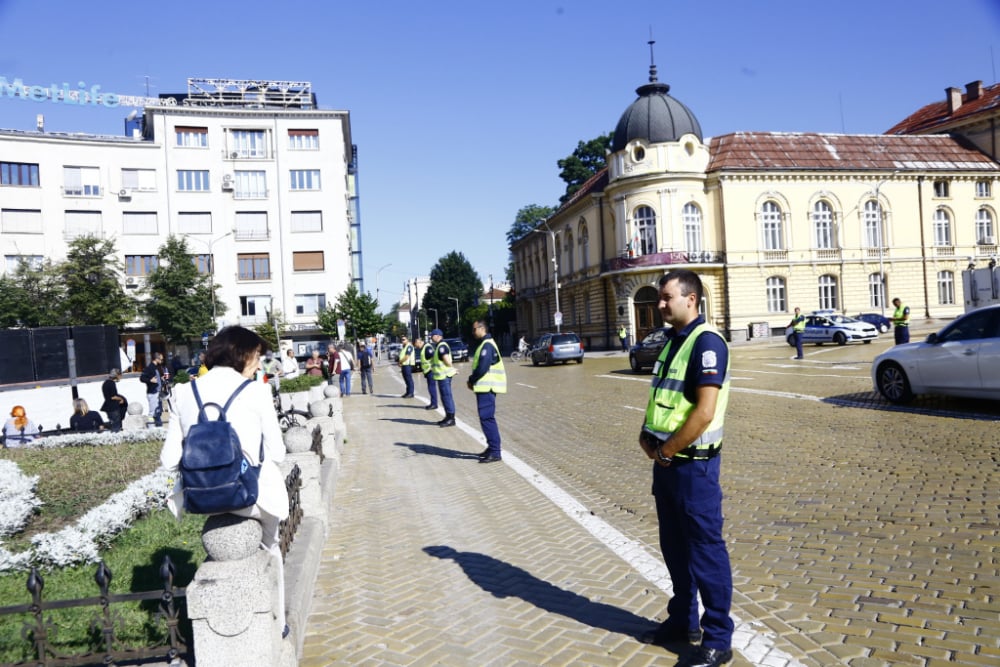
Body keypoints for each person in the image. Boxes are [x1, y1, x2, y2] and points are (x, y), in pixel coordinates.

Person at [159, 326, 289, 639]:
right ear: (243, 354)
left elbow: (168, 459)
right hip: (252, 497)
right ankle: (277, 624)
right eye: (258, 357)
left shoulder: (183, 392)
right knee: (272, 549)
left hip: (201, 496)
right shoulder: (255, 390)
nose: (259, 364)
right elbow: (278, 453)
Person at [637, 269, 734, 667]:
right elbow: (663, 398)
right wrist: (646, 435)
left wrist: (666, 451)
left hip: (693, 468)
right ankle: (683, 621)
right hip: (668, 466)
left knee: (705, 552)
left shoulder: (706, 342)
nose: (660, 304)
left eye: (666, 297)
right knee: (675, 549)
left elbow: (704, 412)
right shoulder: (671, 342)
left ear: (690, 299)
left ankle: (717, 639)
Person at [467, 319, 506, 463]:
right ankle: (491, 447)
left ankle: (495, 452)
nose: (473, 332)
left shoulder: (487, 345)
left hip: (487, 387)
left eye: (474, 329)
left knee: (487, 418)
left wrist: (471, 380)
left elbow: (482, 367)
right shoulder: (485, 344)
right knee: (486, 418)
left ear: (481, 328)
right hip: (484, 387)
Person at [430, 329, 457, 427]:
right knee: (445, 397)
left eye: (432, 335)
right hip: (442, 376)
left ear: (438, 336)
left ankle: (451, 418)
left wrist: (452, 368)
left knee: (447, 397)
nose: (431, 337)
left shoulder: (441, 346)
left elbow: (446, 359)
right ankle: (447, 416)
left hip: (444, 376)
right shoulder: (439, 346)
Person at [140, 352, 165, 426]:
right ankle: (151, 428)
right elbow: (142, 378)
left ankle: (158, 427)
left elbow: (157, 378)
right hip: (153, 393)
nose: (162, 361)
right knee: (152, 412)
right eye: (161, 359)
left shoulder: (157, 367)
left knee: (158, 411)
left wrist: (161, 379)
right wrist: (150, 380)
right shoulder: (149, 367)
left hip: (158, 393)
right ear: (156, 359)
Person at [415, 337, 438, 410]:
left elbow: (434, 358)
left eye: (416, 343)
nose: (415, 345)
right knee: (430, 388)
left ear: (419, 342)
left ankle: (434, 404)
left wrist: (432, 367)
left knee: (432, 388)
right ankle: (433, 403)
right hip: (428, 372)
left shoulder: (427, 348)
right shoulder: (424, 348)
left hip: (430, 371)